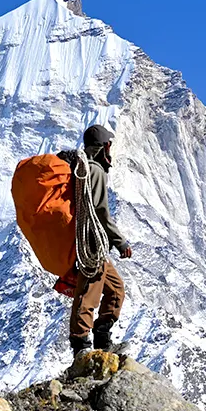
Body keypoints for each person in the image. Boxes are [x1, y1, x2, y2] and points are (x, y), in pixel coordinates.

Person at [69, 124, 132, 355]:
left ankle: (103, 340)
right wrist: (120, 241)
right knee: (89, 293)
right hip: (90, 243)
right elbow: (100, 211)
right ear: (104, 147)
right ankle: (81, 347)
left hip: (94, 244)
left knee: (115, 289)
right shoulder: (93, 170)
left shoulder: (85, 168)